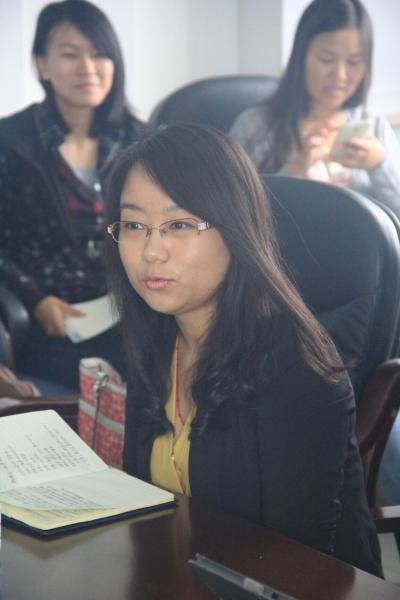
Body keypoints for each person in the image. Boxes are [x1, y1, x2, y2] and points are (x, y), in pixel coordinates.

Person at [105, 122, 382, 577]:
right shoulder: (155, 337)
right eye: (134, 225)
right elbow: (148, 511)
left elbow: (297, 564)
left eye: (179, 225)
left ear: (236, 229)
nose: (152, 251)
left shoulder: (295, 367)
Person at [0, 0, 148, 390]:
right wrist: (35, 299)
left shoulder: (143, 142)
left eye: (99, 54)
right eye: (70, 54)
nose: (88, 67)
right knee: (101, 390)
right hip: (54, 321)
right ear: (42, 65)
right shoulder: (10, 142)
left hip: (137, 310)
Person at [230, 0, 400, 217]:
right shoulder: (254, 126)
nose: (340, 75)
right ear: (301, 56)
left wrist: (379, 166)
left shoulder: (374, 125)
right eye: (326, 59)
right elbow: (235, 215)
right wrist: (295, 170)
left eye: (354, 62)